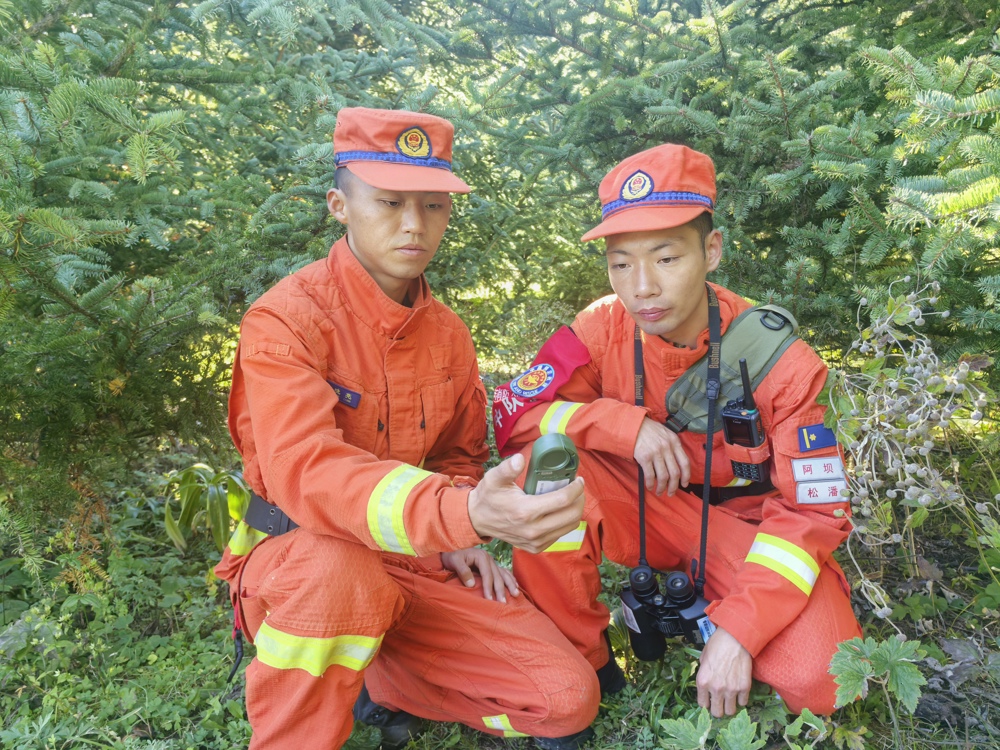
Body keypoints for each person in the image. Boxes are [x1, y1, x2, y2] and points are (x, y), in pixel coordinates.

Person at [215, 107, 600, 750]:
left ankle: (382, 677)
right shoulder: (284, 321)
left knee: (567, 701)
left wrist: (461, 525)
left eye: (434, 206)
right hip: (302, 559)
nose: (414, 225)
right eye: (390, 201)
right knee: (341, 575)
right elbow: (305, 473)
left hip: (416, 559)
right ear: (339, 204)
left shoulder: (448, 332)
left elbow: (457, 451)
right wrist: (459, 514)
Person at [493, 143, 862, 719]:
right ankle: (584, 660)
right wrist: (621, 425)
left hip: (747, 531)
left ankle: (721, 607)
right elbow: (514, 414)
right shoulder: (598, 328)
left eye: (666, 258)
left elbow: (816, 512)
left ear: (711, 250)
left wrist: (739, 632)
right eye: (620, 262)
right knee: (544, 466)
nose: (641, 287)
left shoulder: (784, 364)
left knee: (828, 683)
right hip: (645, 507)